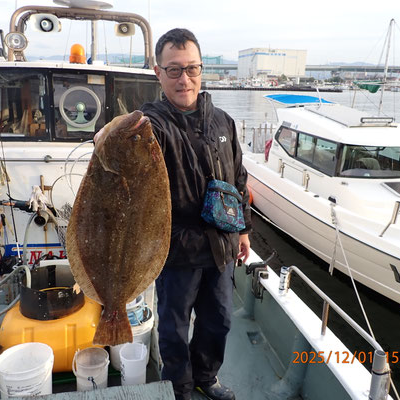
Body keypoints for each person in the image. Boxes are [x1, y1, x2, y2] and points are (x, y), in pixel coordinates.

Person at [141, 28, 252, 400]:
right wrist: (110, 136)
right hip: (176, 249)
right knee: (174, 328)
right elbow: (128, 134)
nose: (184, 79)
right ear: (158, 73)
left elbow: (238, 177)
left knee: (218, 319)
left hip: (222, 244)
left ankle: (206, 375)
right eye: (173, 70)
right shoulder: (151, 124)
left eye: (191, 68)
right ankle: (180, 387)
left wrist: (244, 230)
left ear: (202, 70)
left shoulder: (223, 121)